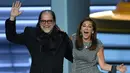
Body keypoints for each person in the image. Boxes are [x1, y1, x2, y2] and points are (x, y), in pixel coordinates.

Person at [5, 1, 73, 73]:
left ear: (54, 22)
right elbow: (12, 37)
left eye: (49, 21)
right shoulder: (31, 34)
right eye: (43, 21)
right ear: (39, 22)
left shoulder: (62, 37)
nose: (46, 24)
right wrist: (12, 18)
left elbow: (75, 57)